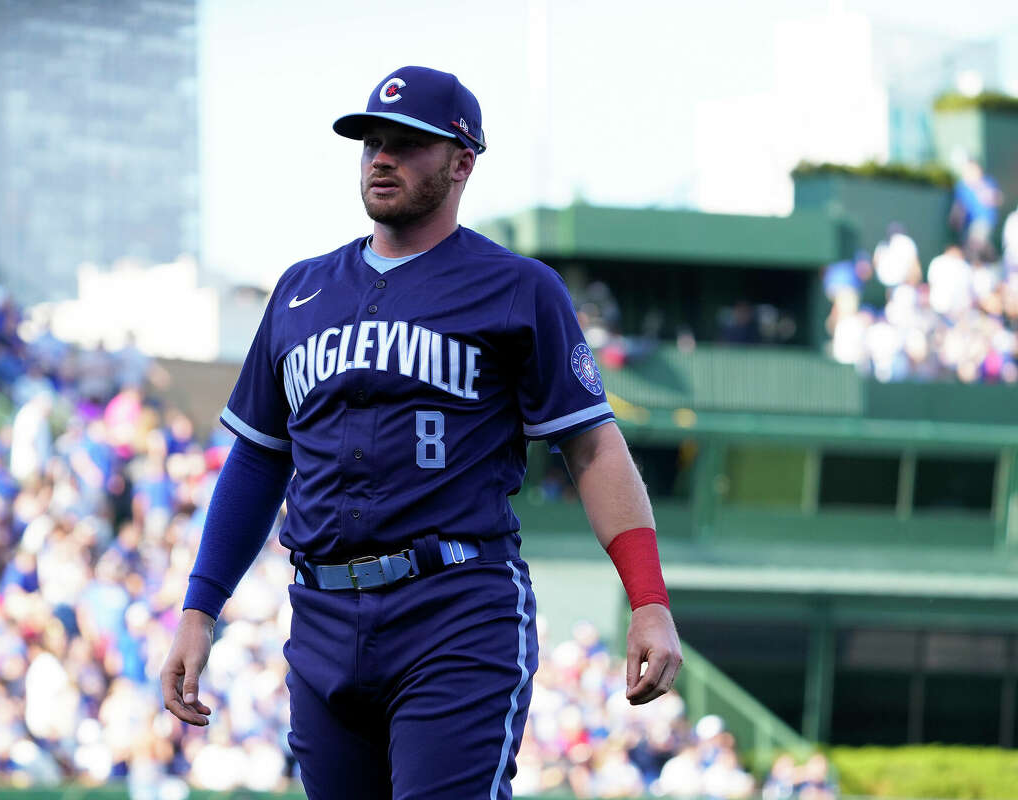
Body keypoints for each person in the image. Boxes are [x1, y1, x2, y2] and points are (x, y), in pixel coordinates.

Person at [160, 66, 682, 800]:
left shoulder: (517, 287)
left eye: (407, 144)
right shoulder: (300, 291)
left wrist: (649, 599)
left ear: (462, 162)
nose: (382, 156)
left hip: (455, 609)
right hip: (321, 617)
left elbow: (593, 447)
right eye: (372, 140)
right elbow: (257, 460)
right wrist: (199, 609)